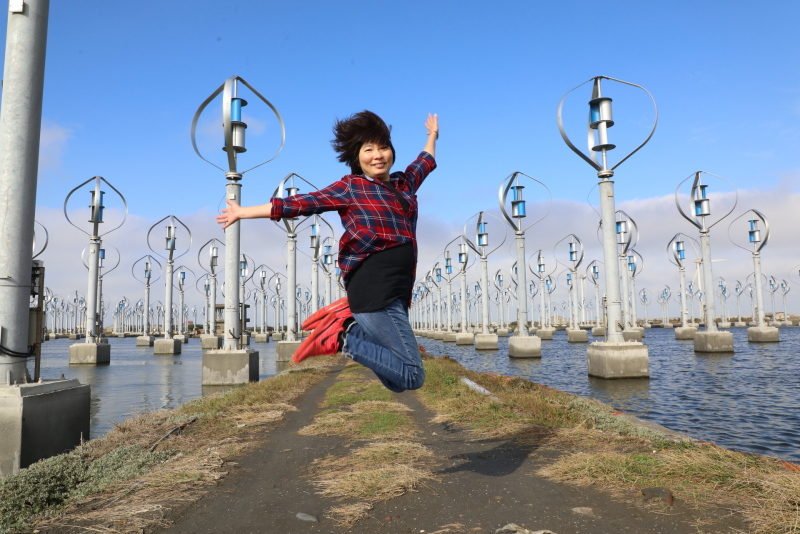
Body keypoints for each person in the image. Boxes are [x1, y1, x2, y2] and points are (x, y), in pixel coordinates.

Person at [216, 110, 438, 392]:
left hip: (398, 290)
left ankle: (348, 328)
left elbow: (425, 162)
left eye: (383, 147)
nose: (378, 155)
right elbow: (302, 203)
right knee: (412, 376)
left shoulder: (402, 185)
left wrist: (432, 135)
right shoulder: (350, 187)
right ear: (356, 158)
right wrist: (243, 212)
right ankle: (344, 337)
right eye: (368, 149)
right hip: (374, 289)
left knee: (396, 382)